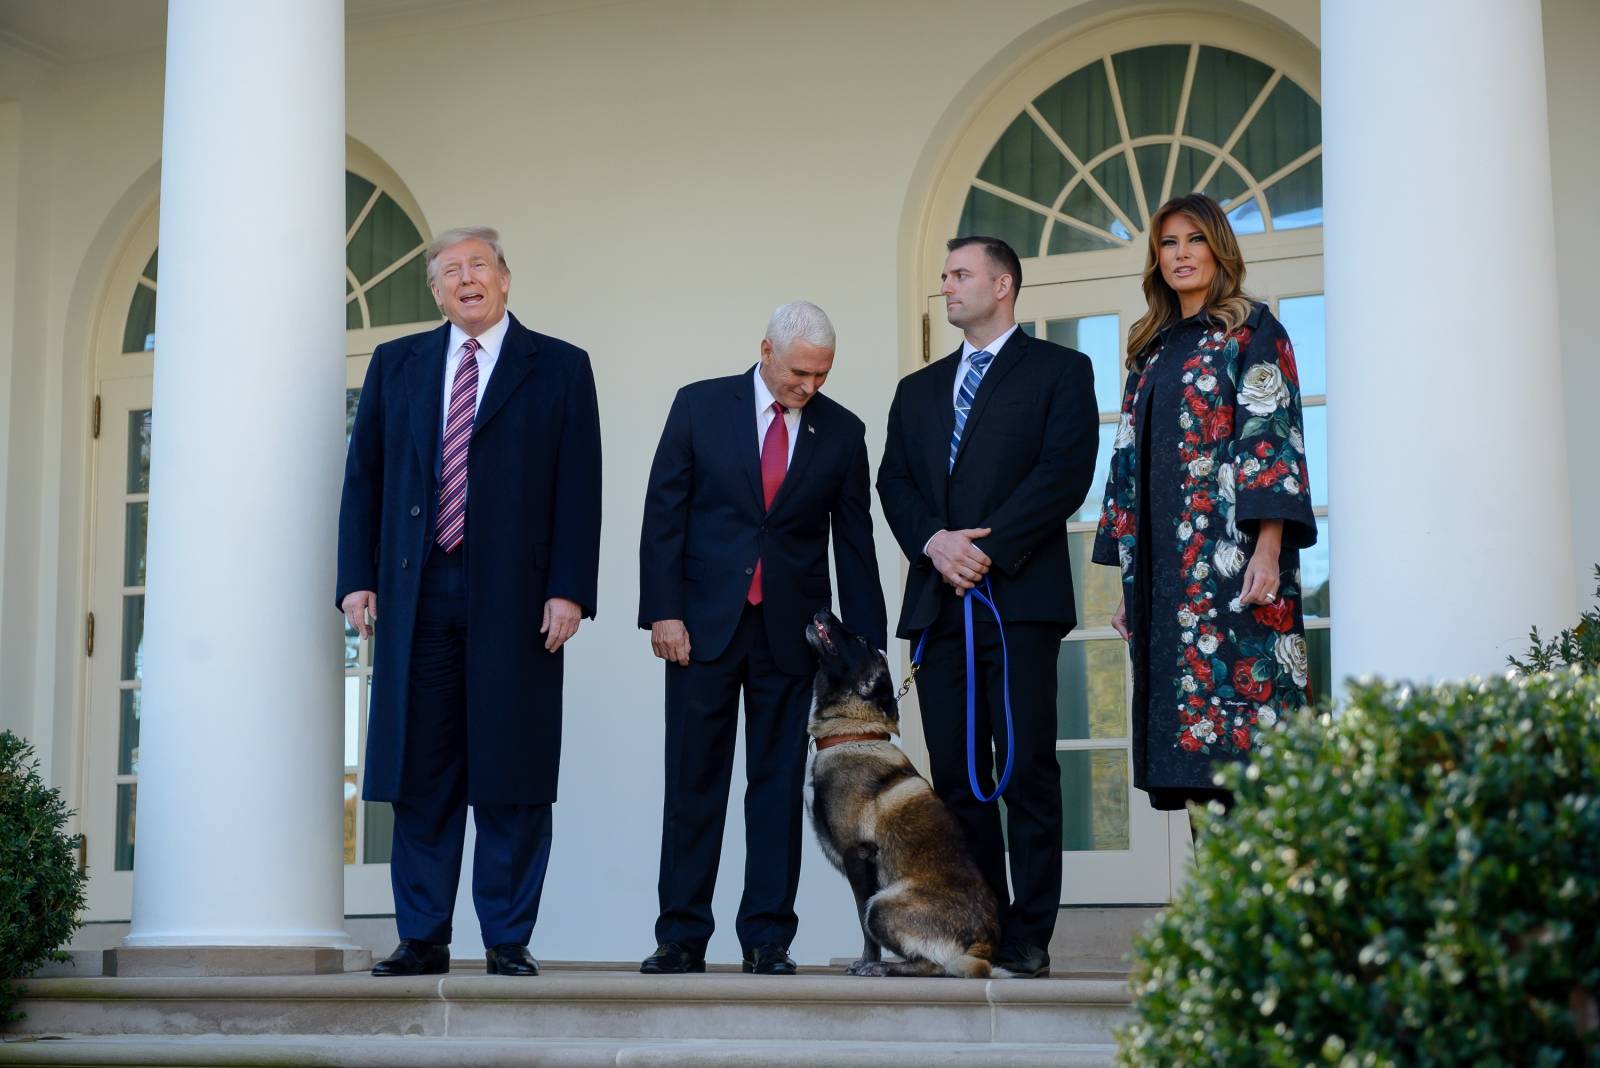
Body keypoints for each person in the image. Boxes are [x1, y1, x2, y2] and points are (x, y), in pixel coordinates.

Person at [336, 226, 602, 977]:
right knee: (422, 772)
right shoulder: (397, 364)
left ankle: (506, 938)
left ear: (506, 279)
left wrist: (570, 590)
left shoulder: (559, 367)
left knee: (511, 772)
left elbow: (579, 489)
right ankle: (423, 937)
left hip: (518, 600)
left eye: (478, 265)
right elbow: (365, 478)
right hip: (416, 592)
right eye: (449, 271)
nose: (466, 279)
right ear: (435, 291)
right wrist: (357, 576)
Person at [637, 300, 887, 976]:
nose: (808, 387)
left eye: (821, 376)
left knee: (776, 791)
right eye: (800, 372)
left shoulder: (842, 432)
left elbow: (854, 544)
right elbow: (665, 512)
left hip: (790, 636)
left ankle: (767, 938)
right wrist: (663, 612)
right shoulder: (699, 406)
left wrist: (867, 652)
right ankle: (681, 935)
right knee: (694, 785)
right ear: (767, 351)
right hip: (700, 629)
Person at [876, 237, 1099, 978]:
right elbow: (895, 483)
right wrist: (936, 544)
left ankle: (1031, 935)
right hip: (940, 608)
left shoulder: (1061, 372)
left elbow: (1063, 474)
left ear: (1003, 285)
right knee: (960, 779)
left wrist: (986, 549)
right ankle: (984, 927)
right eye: (944, 276)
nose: (947, 286)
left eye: (960, 275)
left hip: (1020, 601)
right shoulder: (918, 390)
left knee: (1027, 769)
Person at [1091, 193, 1316, 824]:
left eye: (1194, 240)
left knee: (1251, 759)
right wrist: (1128, 583)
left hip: (1237, 570)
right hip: (1168, 580)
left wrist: (1269, 552)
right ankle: (1220, 913)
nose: (1181, 254)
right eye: (1168, 243)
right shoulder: (1152, 350)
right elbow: (1128, 460)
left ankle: (1270, 914)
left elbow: (1270, 441)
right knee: (1192, 769)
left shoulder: (1254, 332)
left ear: (1219, 248)